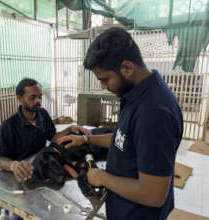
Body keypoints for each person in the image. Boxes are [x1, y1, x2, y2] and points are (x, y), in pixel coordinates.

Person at [57, 27, 183, 220]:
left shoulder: (154, 112)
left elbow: (154, 195)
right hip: (125, 209)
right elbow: (124, 139)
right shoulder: (139, 93)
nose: (103, 86)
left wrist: (102, 177)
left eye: (105, 79)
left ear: (127, 68)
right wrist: (86, 139)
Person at [0, 78, 90, 183]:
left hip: (41, 164)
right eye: (32, 97)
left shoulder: (42, 114)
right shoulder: (9, 126)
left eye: (40, 97)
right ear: (20, 98)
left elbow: (52, 137)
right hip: (22, 173)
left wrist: (69, 129)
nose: (38, 101)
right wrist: (14, 165)